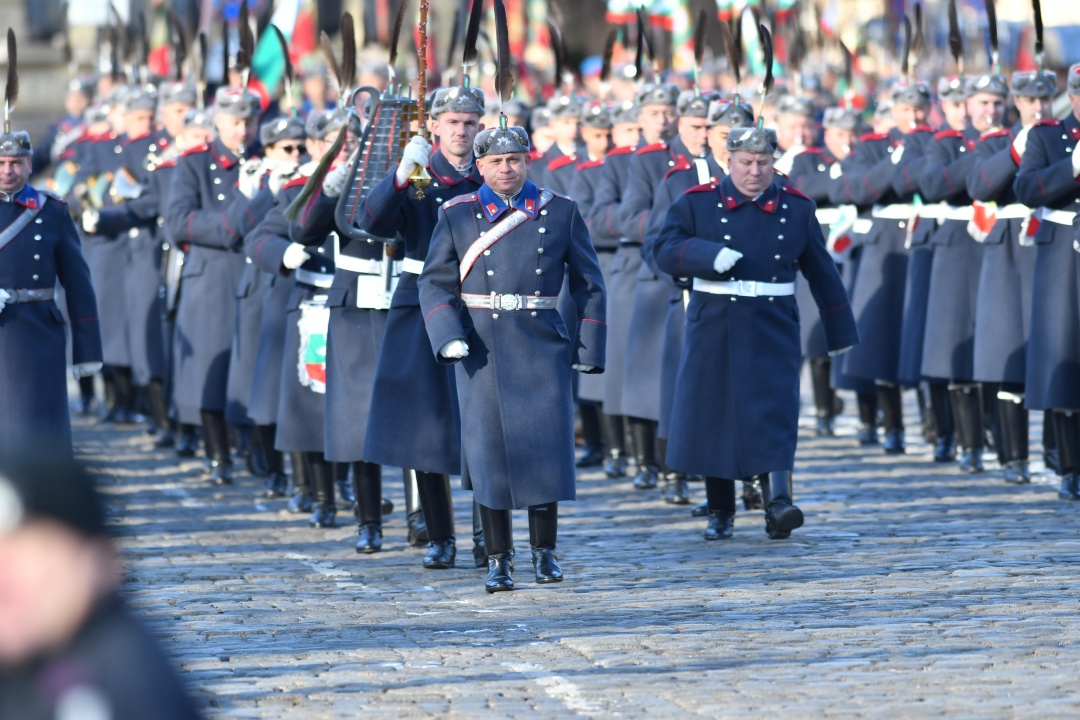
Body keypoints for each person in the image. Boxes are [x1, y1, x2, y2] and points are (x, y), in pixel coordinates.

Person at [418, 120, 606, 593]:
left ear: (528, 161)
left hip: (541, 341)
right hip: (481, 346)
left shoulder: (559, 211)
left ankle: (545, 553)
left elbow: (590, 285)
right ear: (479, 167)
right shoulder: (457, 213)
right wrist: (446, 334)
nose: (506, 169)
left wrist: (588, 347)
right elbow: (434, 282)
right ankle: (498, 559)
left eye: (514, 160)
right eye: (496, 162)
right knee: (489, 456)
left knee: (545, 452)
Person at [654, 125, 858, 541]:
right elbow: (663, 248)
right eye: (746, 163)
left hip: (773, 320)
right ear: (728, 160)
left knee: (774, 412)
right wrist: (707, 255)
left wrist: (839, 331)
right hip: (715, 321)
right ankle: (720, 509)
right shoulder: (698, 202)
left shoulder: (796, 208)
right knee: (714, 415)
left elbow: (821, 271)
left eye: (763, 163)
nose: (754, 171)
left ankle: (779, 502)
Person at [356, 84, 487, 570]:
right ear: (433, 125)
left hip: (477, 302)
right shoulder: (418, 176)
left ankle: (484, 534)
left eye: (469, 122)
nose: (460, 131)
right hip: (419, 303)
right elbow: (367, 221)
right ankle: (439, 534)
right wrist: (398, 174)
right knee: (423, 425)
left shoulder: (488, 173)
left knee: (481, 422)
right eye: (451, 122)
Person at [0, 455, 202, 719]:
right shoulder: (37, 654)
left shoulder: (115, 690)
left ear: (99, 561)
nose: (6, 577)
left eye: (31, 552)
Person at [164, 87, 263, 485]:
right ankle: (217, 453)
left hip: (257, 270)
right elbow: (178, 221)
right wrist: (230, 221)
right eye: (235, 122)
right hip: (212, 275)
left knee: (257, 366)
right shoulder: (194, 164)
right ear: (218, 122)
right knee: (211, 366)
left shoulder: (268, 157)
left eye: (249, 122)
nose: (243, 130)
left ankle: (259, 453)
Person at [967, 70, 1055, 485]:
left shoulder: (1060, 139)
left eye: (1044, 100)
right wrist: (1018, 149)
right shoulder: (999, 140)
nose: (1038, 108)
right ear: (1016, 102)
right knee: (1009, 353)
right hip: (1007, 249)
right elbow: (979, 183)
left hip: (1051, 247)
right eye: (1029, 100)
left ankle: (1059, 454)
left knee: (1057, 350)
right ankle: (1013, 454)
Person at [0, 103, 102, 454]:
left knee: (38, 431)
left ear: (31, 164)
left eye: (15, 163)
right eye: (0, 164)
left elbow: (78, 283)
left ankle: (42, 500)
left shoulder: (52, 210)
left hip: (38, 335)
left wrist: (87, 350)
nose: (8, 171)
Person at [919, 72, 1007, 474]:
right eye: (983, 104)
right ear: (968, 105)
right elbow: (934, 184)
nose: (990, 111)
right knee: (956, 346)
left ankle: (999, 436)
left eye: (996, 104)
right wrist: (983, 156)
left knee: (997, 346)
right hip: (958, 244)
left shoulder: (1017, 138)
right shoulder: (947, 143)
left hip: (997, 243)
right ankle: (965, 440)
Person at [1013, 64, 1080, 500]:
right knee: (1065, 354)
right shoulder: (1047, 136)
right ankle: (1070, 465)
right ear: (1072, 97)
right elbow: (1026, 189)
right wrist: (1071, 168)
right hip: (1063, 255)